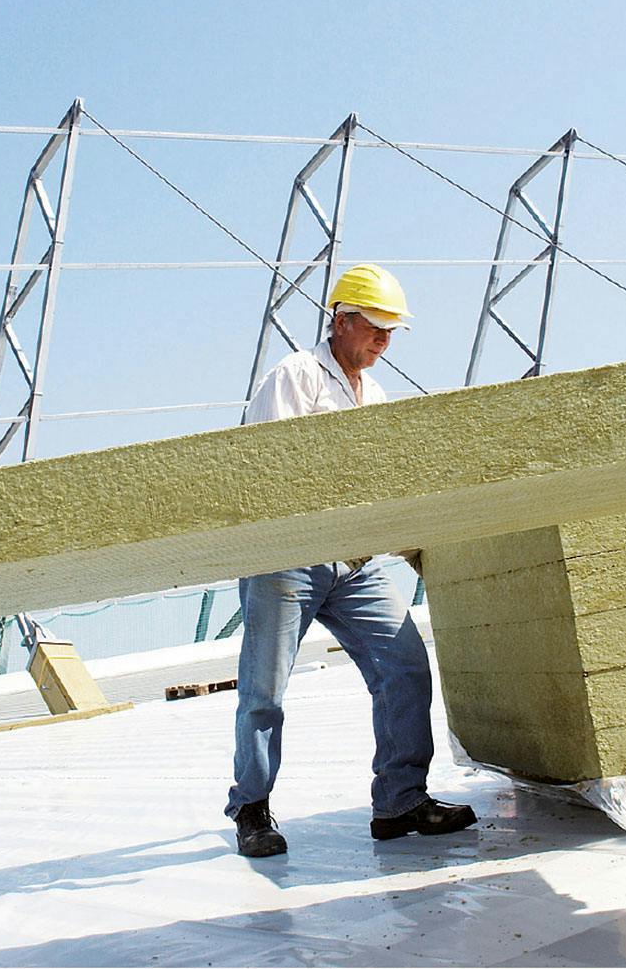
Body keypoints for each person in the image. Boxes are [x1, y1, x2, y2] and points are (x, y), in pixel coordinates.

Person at [226, 263, 477, 858]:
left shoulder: (376, 394)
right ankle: (252, 811)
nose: (384, 343)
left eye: (392, 332)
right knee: (265, 691)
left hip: (355, 560)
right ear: (340, 322)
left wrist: (408, 540)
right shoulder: (297, 375)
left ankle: (400, 801)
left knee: (405, 668)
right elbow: (265, 464)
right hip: (287, 557)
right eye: (375, 329)